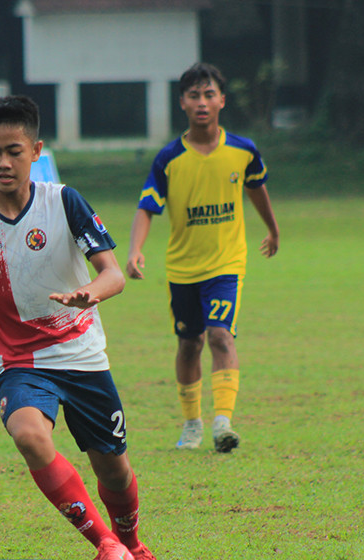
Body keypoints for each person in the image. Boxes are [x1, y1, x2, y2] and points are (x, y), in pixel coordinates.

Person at [0, 95, 168, 560]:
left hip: (82, 355)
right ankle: (106, 545)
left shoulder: (64, 202)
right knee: (30, 436)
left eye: (14, 151)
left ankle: (134, 545)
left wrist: (89, 293)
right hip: (18, 362)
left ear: (35, 150)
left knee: (114, 470)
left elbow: (113, 273)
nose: (4, 163)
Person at [126, 62, 280, 453]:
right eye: (194, 95)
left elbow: (257, 188)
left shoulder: (243, 151)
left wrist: (272, 228)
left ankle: (222, 422)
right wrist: (135, 249)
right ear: (182, 102)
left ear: (222, 101)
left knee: (220, 335)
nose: (202, 102)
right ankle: (192, 423)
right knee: (189, 344)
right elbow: (147, 207)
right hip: (182, 268)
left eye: (209, 94)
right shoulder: (169, 158)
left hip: (227, 263)